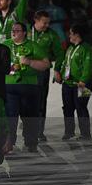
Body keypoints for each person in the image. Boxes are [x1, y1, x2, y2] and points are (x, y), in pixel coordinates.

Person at [5, 22, 50, 152]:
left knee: (30, 117)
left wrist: (30, 62)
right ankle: (9, 143)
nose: (13, 32)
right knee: (10, 117)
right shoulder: (6, 45)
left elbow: (46, 64)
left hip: (29, 87)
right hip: (10, 87)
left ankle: (31, 142)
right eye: (12, 30)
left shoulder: (33, 45)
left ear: (24, 33)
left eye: (17, 30)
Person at [29, 10, 64, 141]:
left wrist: (57, 69)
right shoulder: (24, 31)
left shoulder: (51, 35)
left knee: (41, 101)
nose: (47, 25)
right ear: (36, 20)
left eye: (48, 23)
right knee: (25, 102)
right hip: (25, 72)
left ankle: (39, 131)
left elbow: (60, 54)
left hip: (42, 73)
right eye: (44, 23)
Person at [59, 25, 92, 141]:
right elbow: (65, 63)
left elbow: (88, 67)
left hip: (83, 84)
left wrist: (83, 81)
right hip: (68, 84)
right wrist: (60, 75)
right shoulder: (70, 48)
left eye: (71, 33)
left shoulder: (87, 49)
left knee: (82, 107)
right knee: (67, 108)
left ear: (77, 34)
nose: (69, 35)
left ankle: (86, 134)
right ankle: (69, 132)